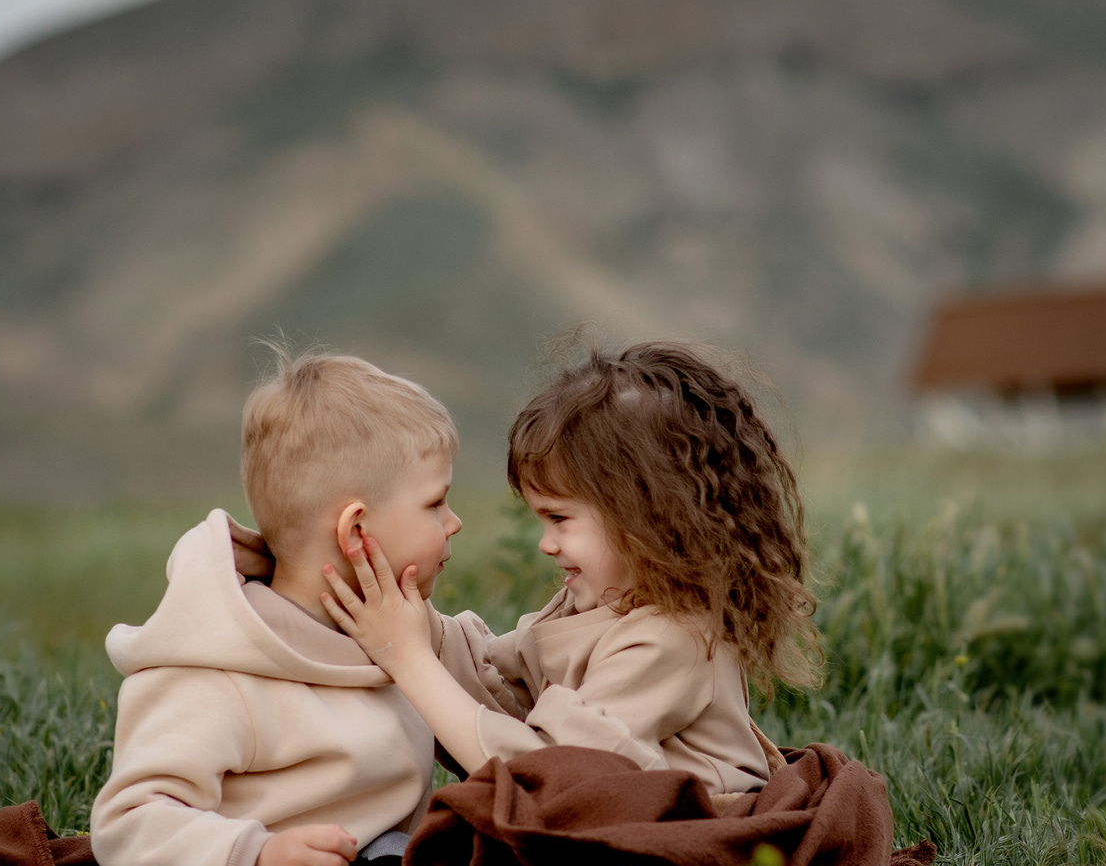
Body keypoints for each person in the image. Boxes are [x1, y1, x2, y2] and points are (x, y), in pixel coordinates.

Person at [84, 352, 498, 866]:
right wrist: (254, 858)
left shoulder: (395, 640)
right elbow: (129, 821)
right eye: (435, 502)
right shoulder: (219, 661)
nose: (452, 522)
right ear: (356, 529)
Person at [323, 342, 818, 807]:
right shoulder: (601, 602)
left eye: (559, 518)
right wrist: (407, 621)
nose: (547, 543)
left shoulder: (675, 640)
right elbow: (500, 688)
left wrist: (408, 658)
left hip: (690, 842)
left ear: (647, 516)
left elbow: (550, 778)